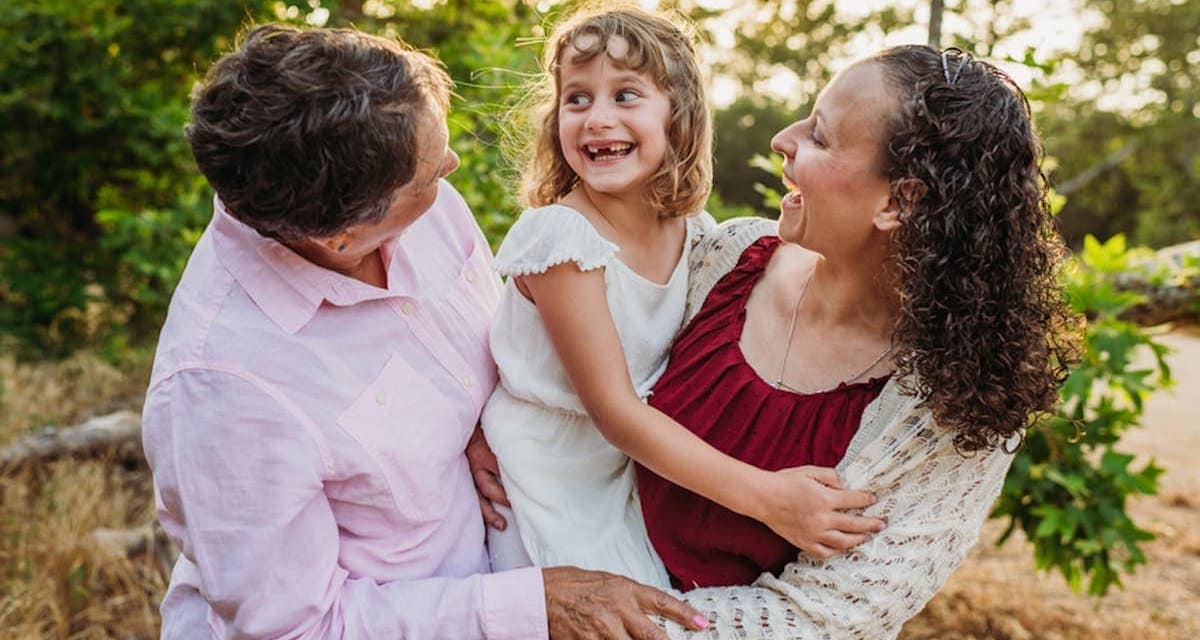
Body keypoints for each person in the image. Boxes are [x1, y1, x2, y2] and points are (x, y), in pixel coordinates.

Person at [140, 23, 708, 639]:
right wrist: (527, 607)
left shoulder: (406, 188)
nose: (452, 166)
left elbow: (488, 344)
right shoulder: (223, 389)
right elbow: (296, 629)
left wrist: (464, 418)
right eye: (430, 173)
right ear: (342, 239)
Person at [632, 45, 1081, 637]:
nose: (782, 141)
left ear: (899, 201)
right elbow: (584, 376)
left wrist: (604, 615)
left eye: (819, 137)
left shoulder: (950, 410)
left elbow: (820, 619)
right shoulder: (723, 257)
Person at [479, 6, 884, 589]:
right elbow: (616, 413)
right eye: (577, 99)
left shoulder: (695, 233)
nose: (596, 118)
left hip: (627, 474)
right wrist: (769, 499)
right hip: (548, 471)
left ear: (679, 116)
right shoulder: (563, 238)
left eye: (625, 95)